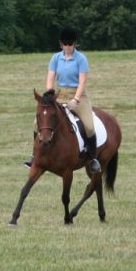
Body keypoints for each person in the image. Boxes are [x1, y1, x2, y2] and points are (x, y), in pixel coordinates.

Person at [24, 26, 102, 174]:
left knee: (89, 127)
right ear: (61, 44)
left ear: (75, 43)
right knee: (36, 123)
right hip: (59, 95)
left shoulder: (81, 59)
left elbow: (82, 82)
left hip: (78, 96)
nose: (67, 47)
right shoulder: (55, 58)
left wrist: (76, 100)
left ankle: (93, 159)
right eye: (65, 44)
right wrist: (49, 94)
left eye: (70, 44)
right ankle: (35, 155)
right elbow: (50, 78)